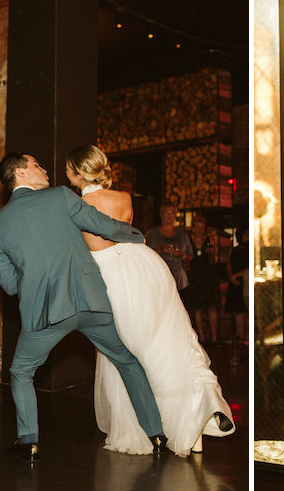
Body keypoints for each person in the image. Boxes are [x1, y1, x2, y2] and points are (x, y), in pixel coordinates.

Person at [0, 152, 168, 461]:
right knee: (126, 361)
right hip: (90, 301)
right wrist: (138, 237)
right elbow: (104, 226)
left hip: (45, 313)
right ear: (20, 174)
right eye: (36, 165)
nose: (44, 169)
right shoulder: (61, 196)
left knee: (20, 371)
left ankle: (29, 440)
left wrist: (31, 272)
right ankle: (157, 434)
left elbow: (11, 286)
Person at [65, 145, 235, 457]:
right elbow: (128, 234)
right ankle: (194, 419)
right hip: (147, 268)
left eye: (67, 168)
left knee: (128, 353)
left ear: (76, 172)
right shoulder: (125, 199)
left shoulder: (78, 205)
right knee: (168, 344)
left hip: (114, 278)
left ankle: (153, 426)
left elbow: (86, 248)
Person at [186, 215, 220, 345]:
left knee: (212, 307)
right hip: (195, 276)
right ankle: (201, 337)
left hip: (208, 276)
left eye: (202, 228)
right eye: (197, 227)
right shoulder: (189, 240)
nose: (200, 230)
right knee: (197, 308)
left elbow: (214, 260)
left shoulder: (209, 240)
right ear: (193, 228)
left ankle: (214, 337)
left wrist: (211, 252)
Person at [146, 201, 193, 294]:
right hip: (158, 279)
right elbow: (144, 253)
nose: (169, 216)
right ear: (161, 214)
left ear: (175, 214)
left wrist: (181, 254)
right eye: (166, 212)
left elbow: (190, 256)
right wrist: (161, 250)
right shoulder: (152, 233)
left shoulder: (183, 236)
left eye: (172, 213)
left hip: (179, 281)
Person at [224, 226, 249, 346]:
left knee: (245, 309)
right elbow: (228, 263)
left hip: (244, 280)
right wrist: (231, 276)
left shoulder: (249, 250)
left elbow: (249, 268)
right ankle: (239, 333)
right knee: (237, 309)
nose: (246, 238)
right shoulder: (233, 250)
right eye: (245, 235)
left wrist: (236, 276)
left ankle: (246, 335)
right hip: (234, 280)